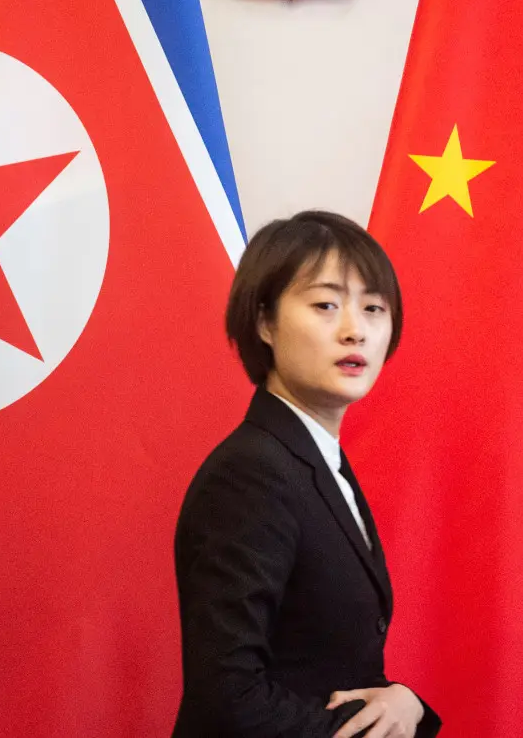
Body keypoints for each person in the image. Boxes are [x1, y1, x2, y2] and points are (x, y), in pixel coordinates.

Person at [172, 210, 442, 737]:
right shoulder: (252, 473)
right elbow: (228, 697)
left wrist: (406, 703)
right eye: (326, 305)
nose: (354, 330)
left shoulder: (314, 459)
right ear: (265, 321)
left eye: (373, 308)